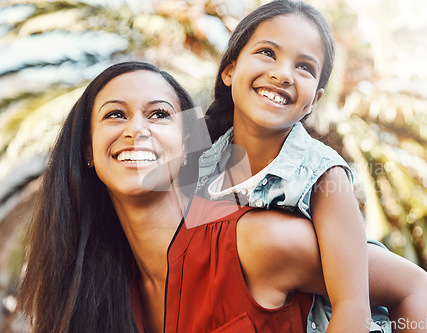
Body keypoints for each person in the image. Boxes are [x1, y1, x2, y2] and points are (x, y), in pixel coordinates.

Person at [17, 61, 345, 333]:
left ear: (189, 144)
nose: (136, 130)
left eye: (159, 114)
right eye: (115, 114)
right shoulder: (94, 293)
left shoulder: (255, 241)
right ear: (88, 149)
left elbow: (398, 284)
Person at [197, 0, 427, 332]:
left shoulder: (322, 175)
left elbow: (352, 308)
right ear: (229, 70)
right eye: (267, 52)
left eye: (304, 67)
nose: (282, 74)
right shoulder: (199, 157)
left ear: (314, 100)